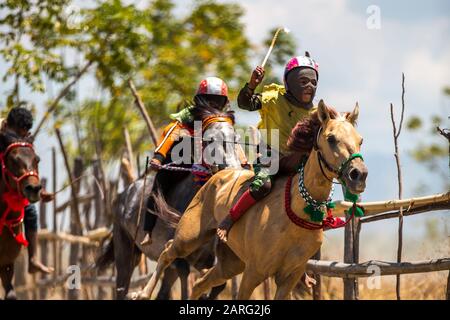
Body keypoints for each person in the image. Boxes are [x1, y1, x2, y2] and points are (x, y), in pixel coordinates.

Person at [217, 52, 320, 242]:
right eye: (303, 81)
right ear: (289, 83)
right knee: (262, 185)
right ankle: (229, 220)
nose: (309, 86)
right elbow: (244, 104)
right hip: (270, 156)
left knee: (317, 189)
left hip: (298, 161)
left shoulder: (316, 113)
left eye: (313, 82)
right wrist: (252, 85)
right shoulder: (274, 98)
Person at [140, 77, 231, 246]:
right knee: (160, 185)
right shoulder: (189, 115)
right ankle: (148, 230)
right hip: (180, 161)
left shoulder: (224, 119)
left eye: (217, 101)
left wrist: (244, 162)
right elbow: (171, 132)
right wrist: (158, 157)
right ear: (199, 101)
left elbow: (232, 142)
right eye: (209, 100)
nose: (213, 105)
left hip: (209, 162)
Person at [1, 107, 54, 274]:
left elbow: (28, 171)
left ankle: (33, 259)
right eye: (17, 133)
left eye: (23, 135)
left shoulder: (24, 143)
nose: (20, 138)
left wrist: (40, 191)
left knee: (30, 210)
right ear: (7, 126)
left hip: (13, 193)